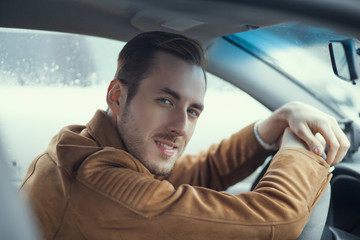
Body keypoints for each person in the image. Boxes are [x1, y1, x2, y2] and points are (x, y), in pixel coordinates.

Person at [19, 31, 350, 240]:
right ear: (117, 96)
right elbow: (278, 219)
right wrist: (302, 144)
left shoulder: (87, 144)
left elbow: (195, 174)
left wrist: (279, 119)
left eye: (193, 111)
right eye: (166, 100)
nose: (181, 126)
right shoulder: (98, 182)